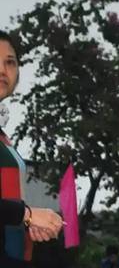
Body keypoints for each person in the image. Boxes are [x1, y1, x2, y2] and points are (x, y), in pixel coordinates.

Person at [1, 31, 64, 267]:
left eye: (9, 62)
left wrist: (28, 222)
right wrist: (26, 215)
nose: (2, 70)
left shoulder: (4, 137)